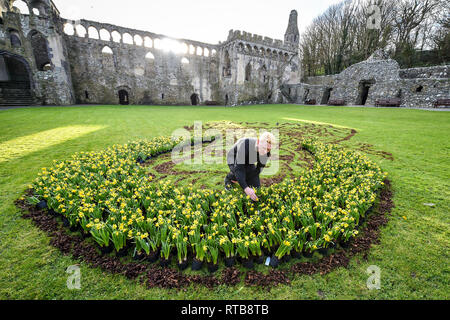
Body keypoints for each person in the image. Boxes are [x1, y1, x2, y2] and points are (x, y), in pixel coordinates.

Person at [224, 132, 275, 201]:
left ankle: (242, 179)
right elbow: (239, 169)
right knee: (239, 173)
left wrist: (251, 179)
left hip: (249, 160)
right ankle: (229, 178)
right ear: (258, 142)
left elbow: (258, 169)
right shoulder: (245, 144)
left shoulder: (266, 153)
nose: (265, 152)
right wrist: (246, 188)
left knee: (256, 187)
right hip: (234, 158)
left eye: (268, 149)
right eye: (264, 148)